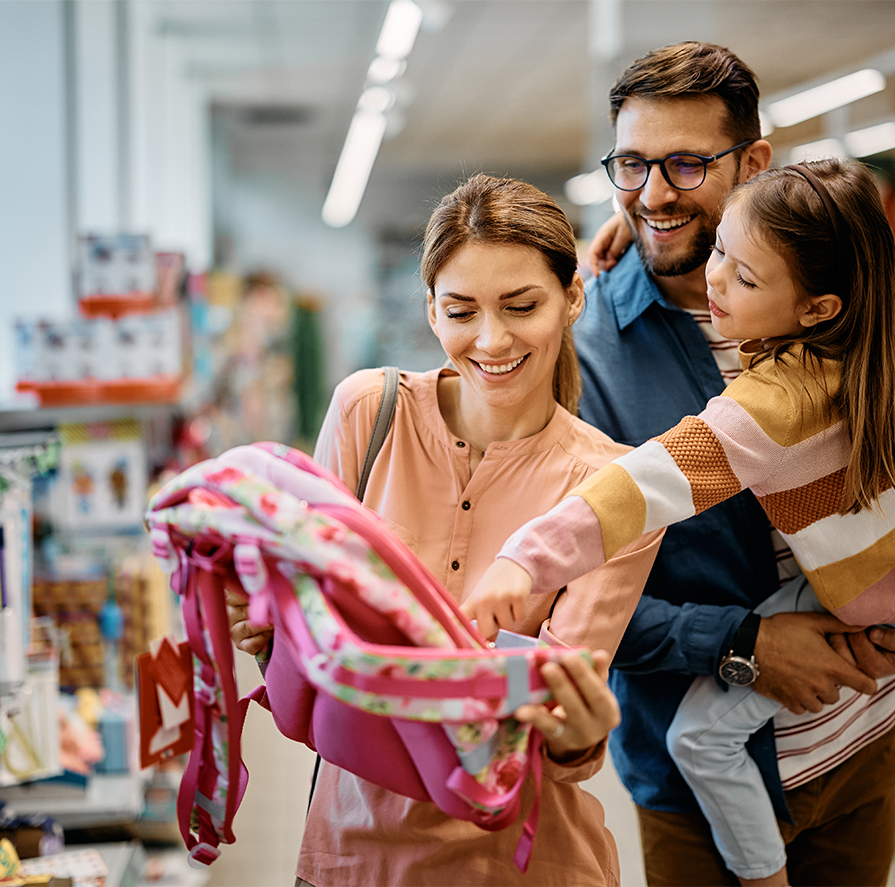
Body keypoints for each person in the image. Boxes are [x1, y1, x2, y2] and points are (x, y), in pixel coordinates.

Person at [467, 155, 895, 885]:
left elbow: (636, 487)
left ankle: (762, 875)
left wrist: (525, 557)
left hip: (877, 614)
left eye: (745, 274)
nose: (715, 278)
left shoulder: (771, 407)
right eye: (721, 248)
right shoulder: (866, 341)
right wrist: (633, 237)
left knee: (699, 736)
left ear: (819, 304)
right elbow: (813, 214)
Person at [227, 173, 662, 886]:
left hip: (526, 866)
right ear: (430, 309)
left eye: (522, 305)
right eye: (461, 309)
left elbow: (561, 737)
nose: (491, 339)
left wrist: (580, 736)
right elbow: (305, 673)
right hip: (352, 857)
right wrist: (273, 632)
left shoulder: (611, 488)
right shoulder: (369, 415)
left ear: (572, 298)